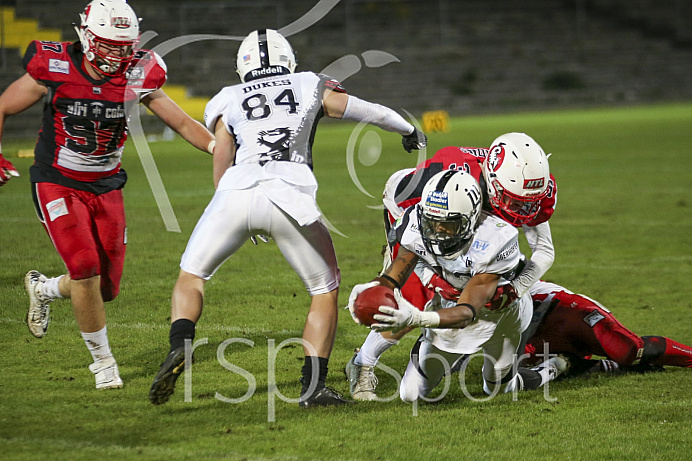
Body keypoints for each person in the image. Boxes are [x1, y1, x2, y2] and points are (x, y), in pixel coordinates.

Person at [147, 29, 427, 407]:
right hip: (288, 194)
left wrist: (229, 208)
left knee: (191, 275)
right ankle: (313, 388)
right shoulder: (309, 83)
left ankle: (179, 344)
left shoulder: (228, 96)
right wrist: (407, 129)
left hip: (234, 192)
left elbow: (222, 156)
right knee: (324, 288)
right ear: (288, 59)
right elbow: (364, 110)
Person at [0, 0, 215, 389]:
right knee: (83, 265)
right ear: (86, 36)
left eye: (125, 45)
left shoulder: (138, 73)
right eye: (110, 44)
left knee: (105, 288)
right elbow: (2, 107)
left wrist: (219, 149)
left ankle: (45, 289)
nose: (118, 53)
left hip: (107, 184)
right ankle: (104, 365)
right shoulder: (57, 66)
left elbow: (182, 121)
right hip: (57, 180)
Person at [345, 133, 557, 400]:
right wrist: (425, 278)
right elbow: (413, 231)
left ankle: (457, 345)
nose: (522, 210)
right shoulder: (446, 176)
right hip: (412, 209)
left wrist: (514, 289)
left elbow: (545, 250)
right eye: (514, 202)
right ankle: (363, 362)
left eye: (526, 202)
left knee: (466, 289)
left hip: (468, 229)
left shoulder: (524, 187)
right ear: (491, 183)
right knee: (411, 294)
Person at [523, 280, 692, 376]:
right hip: (537, 334)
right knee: (517, 367)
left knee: (629, 351)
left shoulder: (504, 266)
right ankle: (614, 367)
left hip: (564, 310)